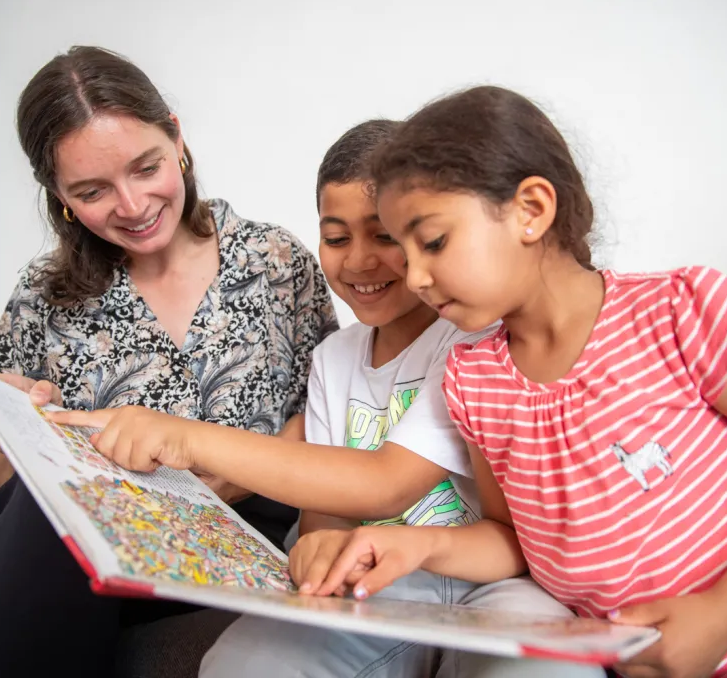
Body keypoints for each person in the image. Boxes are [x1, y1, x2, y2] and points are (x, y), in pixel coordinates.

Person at [286, 85, 727, 678]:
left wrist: (724, 614)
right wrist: (421, 546)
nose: (416, 275)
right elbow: (507, 536)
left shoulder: (679, 312)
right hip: (617, 662)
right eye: (405, 251)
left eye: (431, 242)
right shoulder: (473, 378)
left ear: (532, 210)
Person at [53, 119, 599, 678]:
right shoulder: (333, 359)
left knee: (554, 669)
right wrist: (322, 543)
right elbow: (323, 510)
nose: (359, 261)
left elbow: (385, 484)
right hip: (375, 588)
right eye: (336, 238)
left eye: (385, 236)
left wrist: (187, 438)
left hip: (493, 578)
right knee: (240, 664)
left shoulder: (470, 334)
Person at [0, 45, 337, 678]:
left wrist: (226, 477)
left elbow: (323, 419)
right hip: (81, 550)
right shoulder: (44, 292)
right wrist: (18, 430)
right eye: (93, 190)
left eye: (146, 166)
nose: (131, 206)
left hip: (230, 537)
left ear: (177, 139)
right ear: (60, 196)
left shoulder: (274, 262)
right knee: (30, 534)